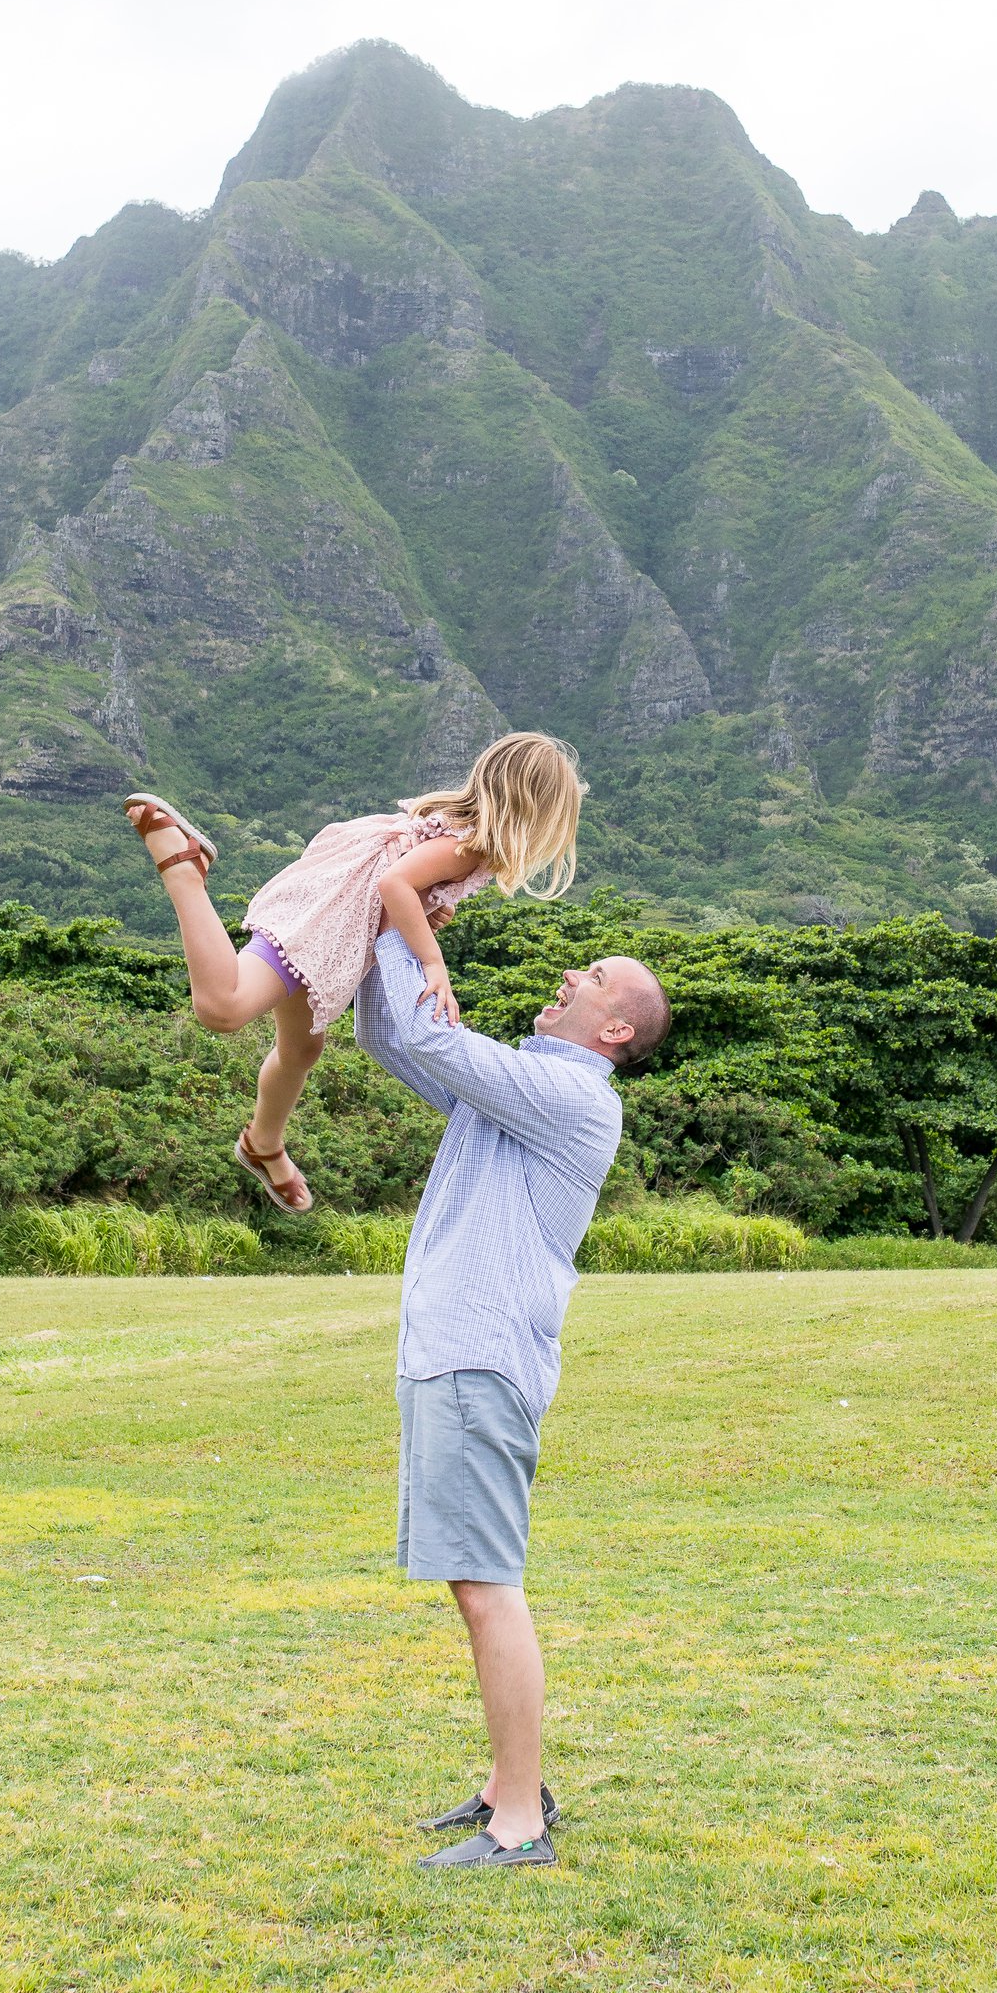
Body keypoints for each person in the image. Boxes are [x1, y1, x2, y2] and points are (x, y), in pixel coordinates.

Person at [353, 921, 671, 1870]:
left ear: (615, 1029)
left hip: (478, 1358)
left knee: (488, 1583)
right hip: (458, 1355)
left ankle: (521, 1821)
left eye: (596, 975)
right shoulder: (521, 1087)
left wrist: (402, 915)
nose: (572, 972)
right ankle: (508, 1784)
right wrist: (375, 937)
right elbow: (388, 1034)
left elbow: (431, 1033)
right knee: (474, 1576)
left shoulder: (569, 1095)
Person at [122, 732, 586, 1213]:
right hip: (328, 925)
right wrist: (433, 962)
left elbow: (405, 877)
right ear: (535, 811)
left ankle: (263, 1143)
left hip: (333, 911)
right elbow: (394, 882)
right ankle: (184, 870)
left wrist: (426, 906)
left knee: (301, 1049)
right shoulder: (468, 848)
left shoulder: (458, 829)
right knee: (223, 1008)